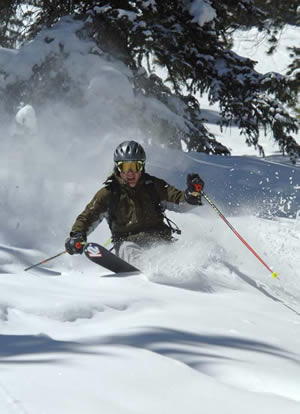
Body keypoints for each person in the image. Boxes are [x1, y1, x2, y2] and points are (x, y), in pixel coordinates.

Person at [65, 140, 204, 267]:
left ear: (142, 166)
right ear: (118, 168)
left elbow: (179, 201)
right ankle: (150, 271)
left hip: (160, 239)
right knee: (131, 253)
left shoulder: (153, 186)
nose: (130, 172)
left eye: (135, 166)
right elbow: (88, 216)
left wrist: (192, 195)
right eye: (125, 167)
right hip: (128, 242)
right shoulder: (109, 193)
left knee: (185, 256)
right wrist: (77, 235)